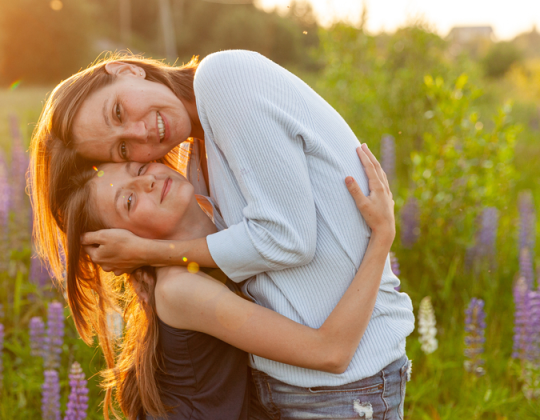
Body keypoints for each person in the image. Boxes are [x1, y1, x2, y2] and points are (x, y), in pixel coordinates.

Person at [29, 50, 414, 418]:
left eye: (117, 111)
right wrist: (380, 238)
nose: (140, 132)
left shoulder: (222, 77)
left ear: (125, 69)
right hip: (300, 389)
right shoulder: (198, 160)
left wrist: (149, 250)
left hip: (344, 389)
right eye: (125, 150)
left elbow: (287, 241)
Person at [52, 145, 397, 420]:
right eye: (129, 201)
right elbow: (330, 352)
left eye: (140, 169)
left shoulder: (211, 203)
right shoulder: (179, 289)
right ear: (123, 244)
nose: (148, 182)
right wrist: (382, 235)